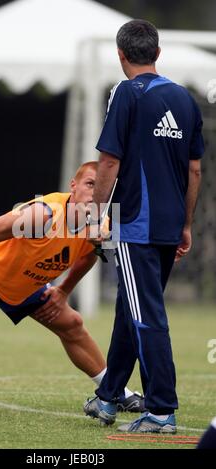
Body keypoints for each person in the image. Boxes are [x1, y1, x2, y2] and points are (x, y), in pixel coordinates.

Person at [0, 161, 143, 412]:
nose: (94, 192)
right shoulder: (43, 215)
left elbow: (89, 255)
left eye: (102, 187)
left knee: (71, 324)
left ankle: (115, 391)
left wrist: (63, 291)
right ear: (73, 186)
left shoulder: (104, 225)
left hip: (21, 278)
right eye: (90, 184)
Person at [83, 19, 204, 432]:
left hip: (137, 225)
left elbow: (109, 162)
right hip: (170, 226)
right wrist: (186, 225)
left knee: (145, 312)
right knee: (130, 307)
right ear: (157, 53)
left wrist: (93, 216)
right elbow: (194, 171)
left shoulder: (126, 93)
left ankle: (161, 409)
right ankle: (108, 396)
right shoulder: (186, 99)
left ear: (121, 55)